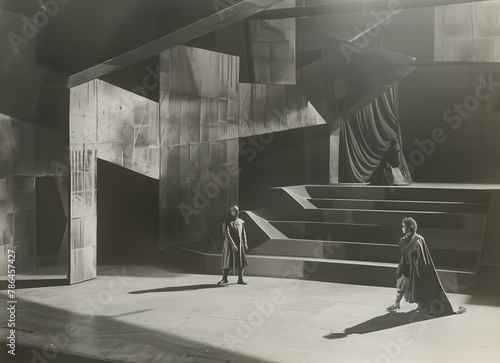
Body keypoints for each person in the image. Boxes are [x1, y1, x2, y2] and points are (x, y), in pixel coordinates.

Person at [387, 217, 455, 317]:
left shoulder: (418, 240)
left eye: (403, 227)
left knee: (417, 289)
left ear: (409, 228)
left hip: (414, 270)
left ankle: (421, 306)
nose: (402, 228)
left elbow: (421, 258)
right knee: (401, 286)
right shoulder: (404, 240)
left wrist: (416, 267)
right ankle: (397, 304)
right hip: (405, 268)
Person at [217, 205, 249, 285]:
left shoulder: (241, 222)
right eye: (235, 211)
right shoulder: (226, 221)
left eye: (237, 210)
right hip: (229, 244)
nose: (237, 212)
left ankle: (240, 279)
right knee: (227, 261)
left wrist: (245, 243)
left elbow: (243, 233)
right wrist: (233, 244)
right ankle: (224, 279)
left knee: (241, 261)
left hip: (240, 243)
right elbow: (227, 234)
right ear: (231, 212)